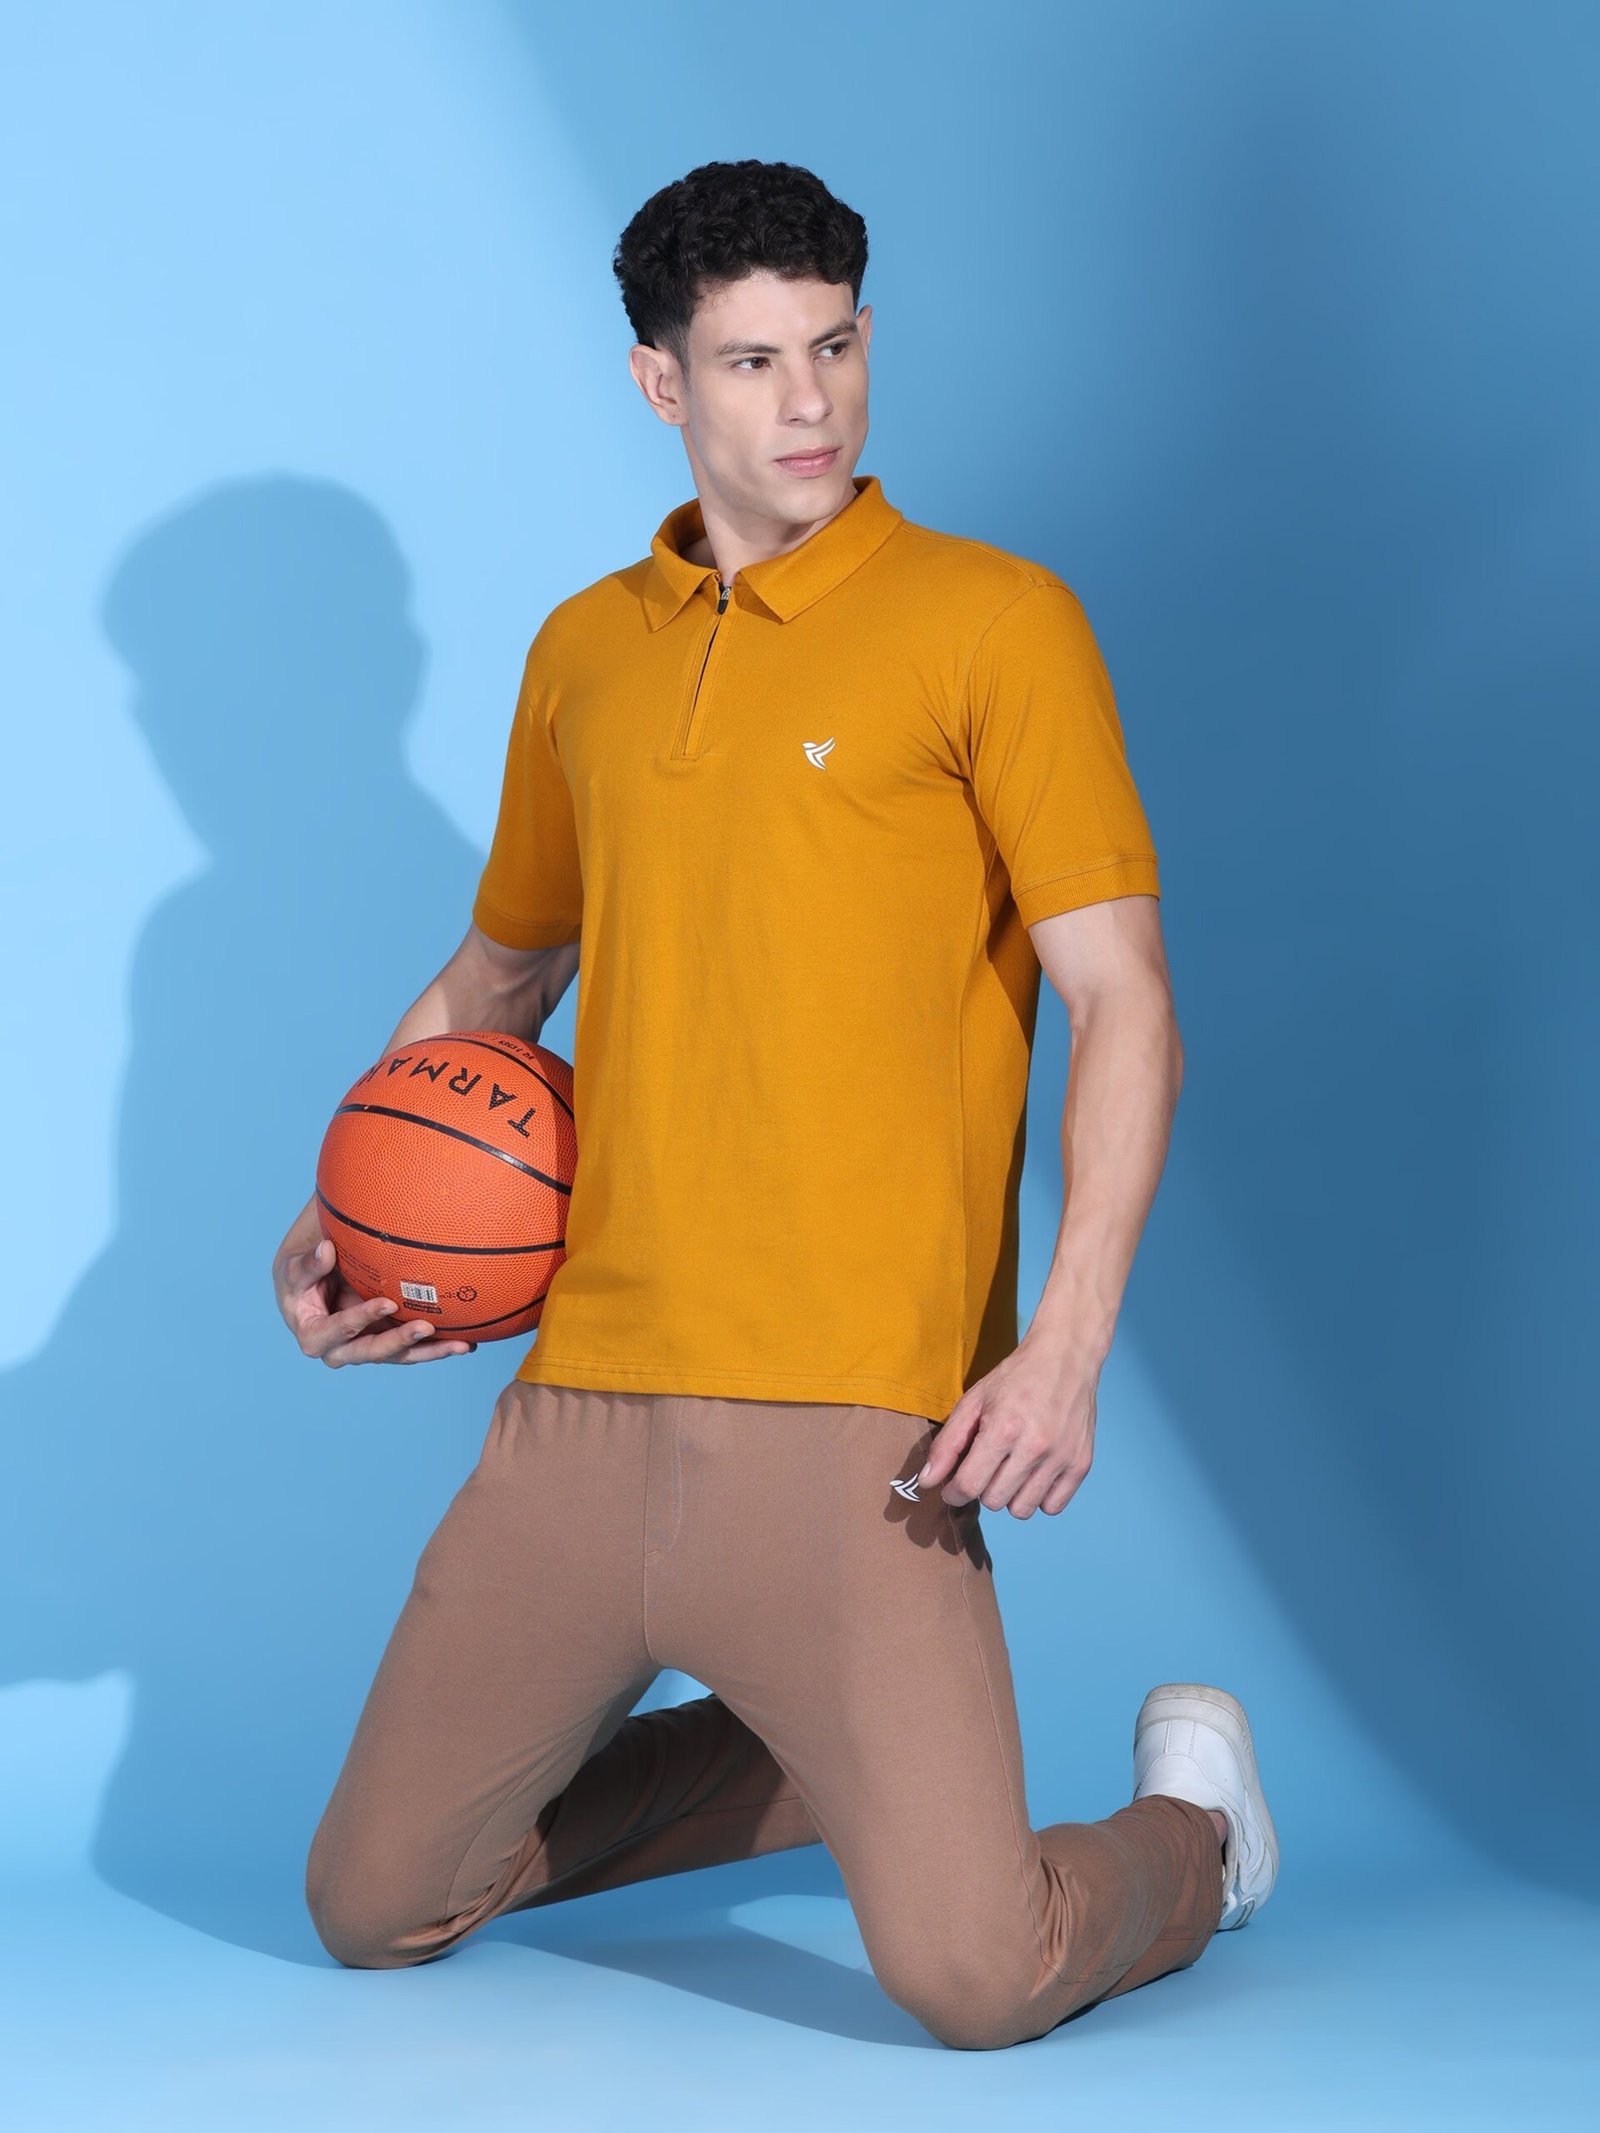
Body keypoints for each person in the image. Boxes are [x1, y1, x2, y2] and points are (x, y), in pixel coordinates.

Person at [274, 158, 1278, 2051]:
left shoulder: (995, 622)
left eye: (834, 346)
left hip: (853, 1417)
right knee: (377, 1900)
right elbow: (498, 977)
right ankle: (824, 1757)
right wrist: (340, 1222)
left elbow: (1122, 998)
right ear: (662, 381)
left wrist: (1064, 1347)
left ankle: (1200, 1832)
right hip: (580, 1400)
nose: (809, 402)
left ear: (867, 337)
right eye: (752, 362)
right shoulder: (583, 652)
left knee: (975, 1976)